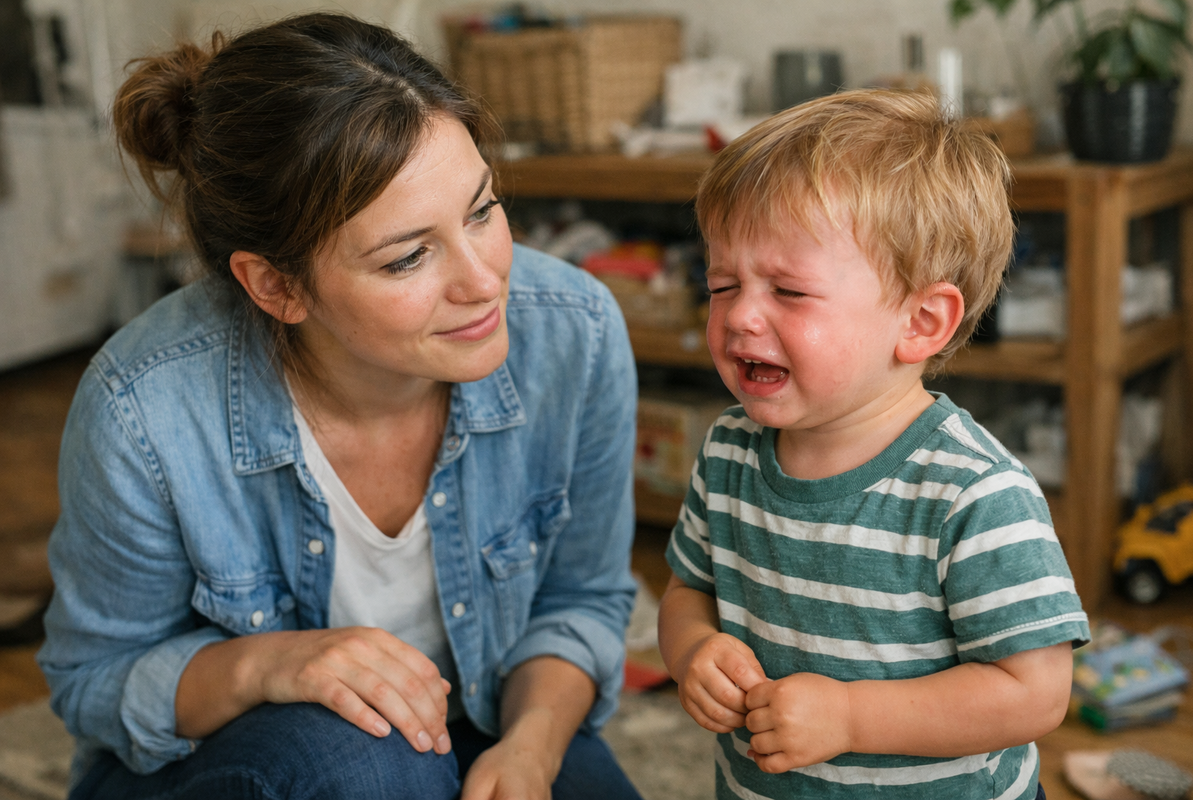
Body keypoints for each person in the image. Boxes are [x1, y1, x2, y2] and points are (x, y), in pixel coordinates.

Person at [37, 13, 643, 800]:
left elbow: (581, 601)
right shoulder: (144, 409)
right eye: (408, 257)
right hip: (212, 755)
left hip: (480, 714)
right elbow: (94, 682)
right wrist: (272, 665)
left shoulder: (575, 331)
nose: (484, 279)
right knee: (377, 762)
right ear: (275, 285)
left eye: (482, 210)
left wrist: (530, 749)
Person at [657, 89, 1091, 800]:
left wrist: (851, 717)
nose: (739, 316)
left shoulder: (974, 492)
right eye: (723, 284)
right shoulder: (729, 450)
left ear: (920, 322)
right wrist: (693, 649)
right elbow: (689, 590)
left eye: (788, 292)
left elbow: (1034, 693)